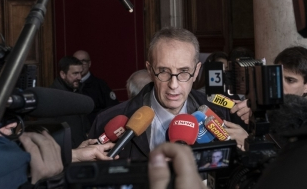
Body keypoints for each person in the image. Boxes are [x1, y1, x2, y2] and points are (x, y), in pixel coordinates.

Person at [89, 27, 250, 160]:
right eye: (164, 71)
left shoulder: (220, 114)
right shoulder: (108, 120)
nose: (173, 85)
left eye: (184, 71)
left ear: (197, 71)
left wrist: (247, 148)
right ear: (150, 71)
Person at [49, 56, 89, 148]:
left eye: (80, 73)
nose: (79, 77)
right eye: (75, 73)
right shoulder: (52, 97)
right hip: (66, 153)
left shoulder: (78, 91)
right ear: (63, 74)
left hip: (82, 149)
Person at [73, 50, 119, 123]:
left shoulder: (100, 85)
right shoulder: (67, 85)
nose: (80, 64)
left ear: (89, 64)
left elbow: (113, 109)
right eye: (76, 61)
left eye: (84, 61)